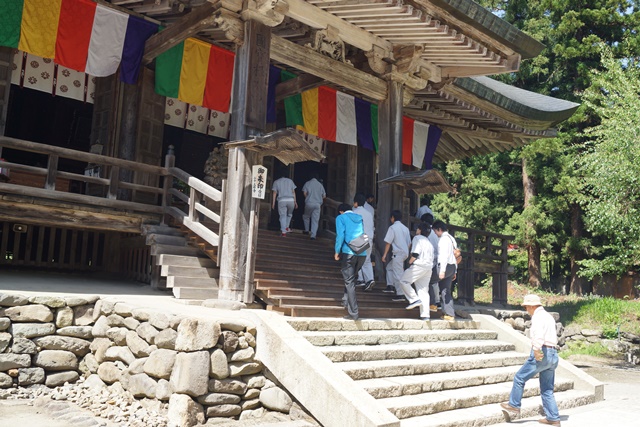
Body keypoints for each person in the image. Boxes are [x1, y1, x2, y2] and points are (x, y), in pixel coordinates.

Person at [500, 294, 561, 427]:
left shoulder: (538, 317)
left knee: (519, 378)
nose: (526, 309)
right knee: (547, 389)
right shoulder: (548, 316)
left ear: (533, 306)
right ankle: (553, 417)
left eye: (527, 306)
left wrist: (536, 350)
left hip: (543, 351)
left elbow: (538, 335)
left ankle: (514, 405)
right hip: (553, 353)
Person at [334, 203, 367, 321]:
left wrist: (337, 251)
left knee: (349, 282)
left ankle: (354, 313)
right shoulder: (359, 218)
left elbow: (340, 236)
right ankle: (345, 300)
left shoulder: (341, 218)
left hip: (349, 252)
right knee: (351, 278)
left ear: (341, 211)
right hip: (362, 253)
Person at [397, 222, 434, 320]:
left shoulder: (417, 238)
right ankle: (425, 314)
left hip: (419, 265)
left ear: (420, 230)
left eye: (417, 229)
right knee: (423, 290)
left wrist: (410, 261)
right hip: (428, 268)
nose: (416, 230)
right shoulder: (429, 242)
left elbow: (415, 253)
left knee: (403, 280)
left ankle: (414, 299)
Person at [381, 210, 411, 299]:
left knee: (398, 274)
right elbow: (409, 243)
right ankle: (390, 286)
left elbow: (388, 242)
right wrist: (406, 252)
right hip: (404, 253)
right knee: (389, 268)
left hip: (397, 253)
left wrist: (384, 255)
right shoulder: (405, 228)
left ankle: (400, 294)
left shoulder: (393, 228)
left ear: (393, 218)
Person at [431, 220, 457, 321]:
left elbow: (443, 256)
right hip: (452, 267)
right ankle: (450, 314)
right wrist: (455, 271)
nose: (435, 233)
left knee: (429, 279)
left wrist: (442, 270)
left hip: (444, 266)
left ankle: (432, 304)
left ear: (439, 229)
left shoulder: (443, 239)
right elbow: (455, 255)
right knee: (446, 290)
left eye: (435, 231)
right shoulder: (451, 238)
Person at [352, 193, 375, 291]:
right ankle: (369, 279)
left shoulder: (354, 212)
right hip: (369, 237)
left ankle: (362, 279)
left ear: (356, 203)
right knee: (367, 260)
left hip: (360, 237)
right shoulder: (368, 213)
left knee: (357, 259)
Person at [421, 213, 441, 313]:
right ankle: (437, 301)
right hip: (437, 259)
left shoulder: (427, 232)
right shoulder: (435, 233)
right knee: (434, 282)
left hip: (429, 259)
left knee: (429, 282)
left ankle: (432, 302)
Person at [301, 173, 326, 240]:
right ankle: (313, 235)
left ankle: (306, 230)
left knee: (306, 216)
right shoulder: (320, 185)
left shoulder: (307, 183)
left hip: (309, 203)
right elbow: (324, 196)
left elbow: (304, 193)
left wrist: (308, 198)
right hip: (317, 204)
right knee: (315, 220)